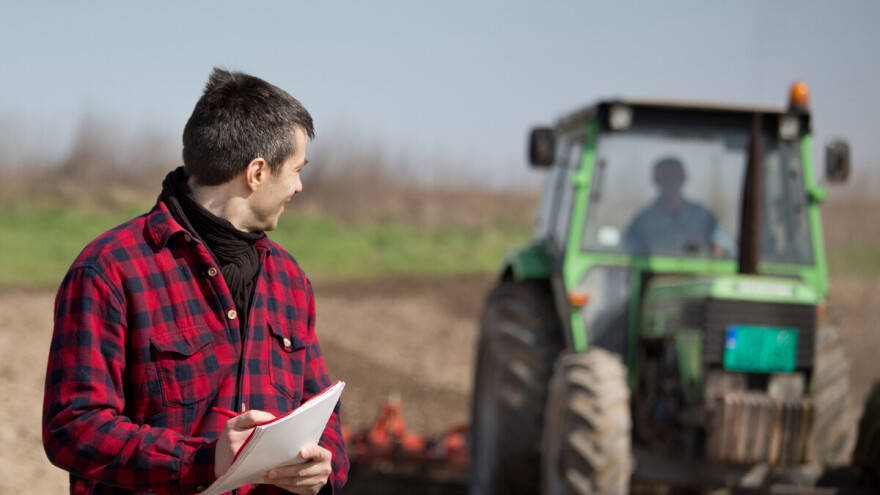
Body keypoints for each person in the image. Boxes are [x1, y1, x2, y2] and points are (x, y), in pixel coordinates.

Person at [42, 68, 348, 494]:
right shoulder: (110, 270)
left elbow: (323, 415)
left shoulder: (290, 281)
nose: (298, 187)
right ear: (257, 173)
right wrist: (203, 462)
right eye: (297, 170)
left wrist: (323, 465)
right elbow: (73, 426)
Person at [624, 157, 731, 257]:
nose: (670, 182)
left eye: (675, 176)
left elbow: (725, 247)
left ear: (683, 179)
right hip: (655, 277)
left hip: (700, 276)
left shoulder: (703, 217)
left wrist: (717, 256)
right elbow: (627, 253)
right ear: (656, 180)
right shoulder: (643, 221)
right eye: (665, 177)